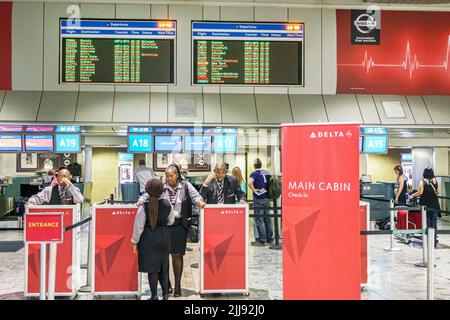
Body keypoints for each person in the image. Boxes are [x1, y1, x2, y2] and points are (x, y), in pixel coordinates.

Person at [138, 164, 205, 297]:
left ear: (177, 175)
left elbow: (196, 196)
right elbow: (148, 194)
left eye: (171, 176)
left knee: (177, 255)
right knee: (164, 256)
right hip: (165, 226)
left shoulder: (185, 186)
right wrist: (140, 200)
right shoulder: (161, 185)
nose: (168, 179)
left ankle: (178, 286)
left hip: (180, 225)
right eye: (167, 176)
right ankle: (167, 284)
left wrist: (200, 202)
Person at [131, 178, 174, 300]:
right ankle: (166, 295)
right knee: (164, 267)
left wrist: (134, 241)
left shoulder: (143, 206)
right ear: (161, 190)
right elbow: (171, 221)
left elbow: (139, 226)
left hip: (148, 238)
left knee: (152, 269)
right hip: (164, 237)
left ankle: (154, 295)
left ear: (147, 190)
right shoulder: (167, 203)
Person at [410, 168, 441, 247]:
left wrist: (412, 195)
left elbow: (420, 192)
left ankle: (427, 241)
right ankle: (433, 241)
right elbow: (438, 193)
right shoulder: (436, 181)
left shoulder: (422, 181)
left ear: (424, 173)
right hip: (434, 204)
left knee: (427, 223)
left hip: (426, 205)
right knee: (434, 223)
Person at [248, 158, 273, 246]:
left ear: (254, 165)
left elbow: (249, 182)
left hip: (258, 199)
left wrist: (254, 189)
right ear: (261, 164)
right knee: (268, 219)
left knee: (259, 219)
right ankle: (270, 239)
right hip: (267, 199)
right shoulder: (266, 172)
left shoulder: (254, 173)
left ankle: (262, 239)